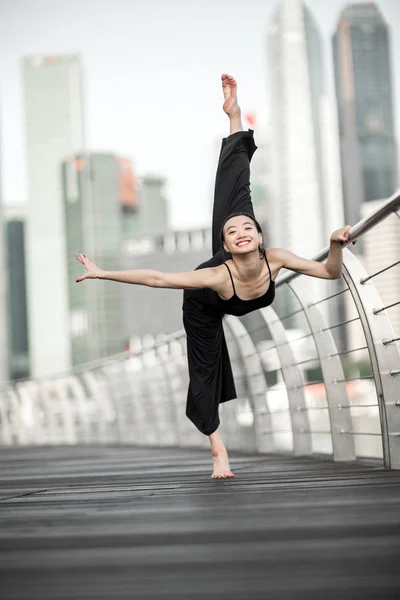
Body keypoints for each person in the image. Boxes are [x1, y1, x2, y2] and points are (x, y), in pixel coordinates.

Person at [76, 74, 352, 479]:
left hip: (244, 265)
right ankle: (217, 450)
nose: (241, 233)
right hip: (204, 309)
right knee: (205, 373)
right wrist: (103, 274)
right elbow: (158, 278)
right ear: (225, 244)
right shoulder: (215, 277)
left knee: (238, 191)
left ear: (259, 236)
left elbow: (330, 272)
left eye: (248, 230)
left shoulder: (275, 257)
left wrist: (335, 242)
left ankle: (233, 117)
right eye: (232, 232)